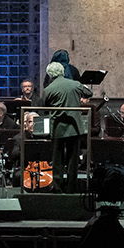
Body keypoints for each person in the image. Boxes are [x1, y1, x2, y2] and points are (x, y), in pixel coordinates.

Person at [42, 60, 92, 193]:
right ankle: (71, 188)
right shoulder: (75, 84)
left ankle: (57, 187)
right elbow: (89, 94)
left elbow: (44, 108)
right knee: (72, 160)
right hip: (74, 127)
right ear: (62, 72)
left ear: (50, 74)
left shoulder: (48, 89)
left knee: (57, 159)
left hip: (57, 127)